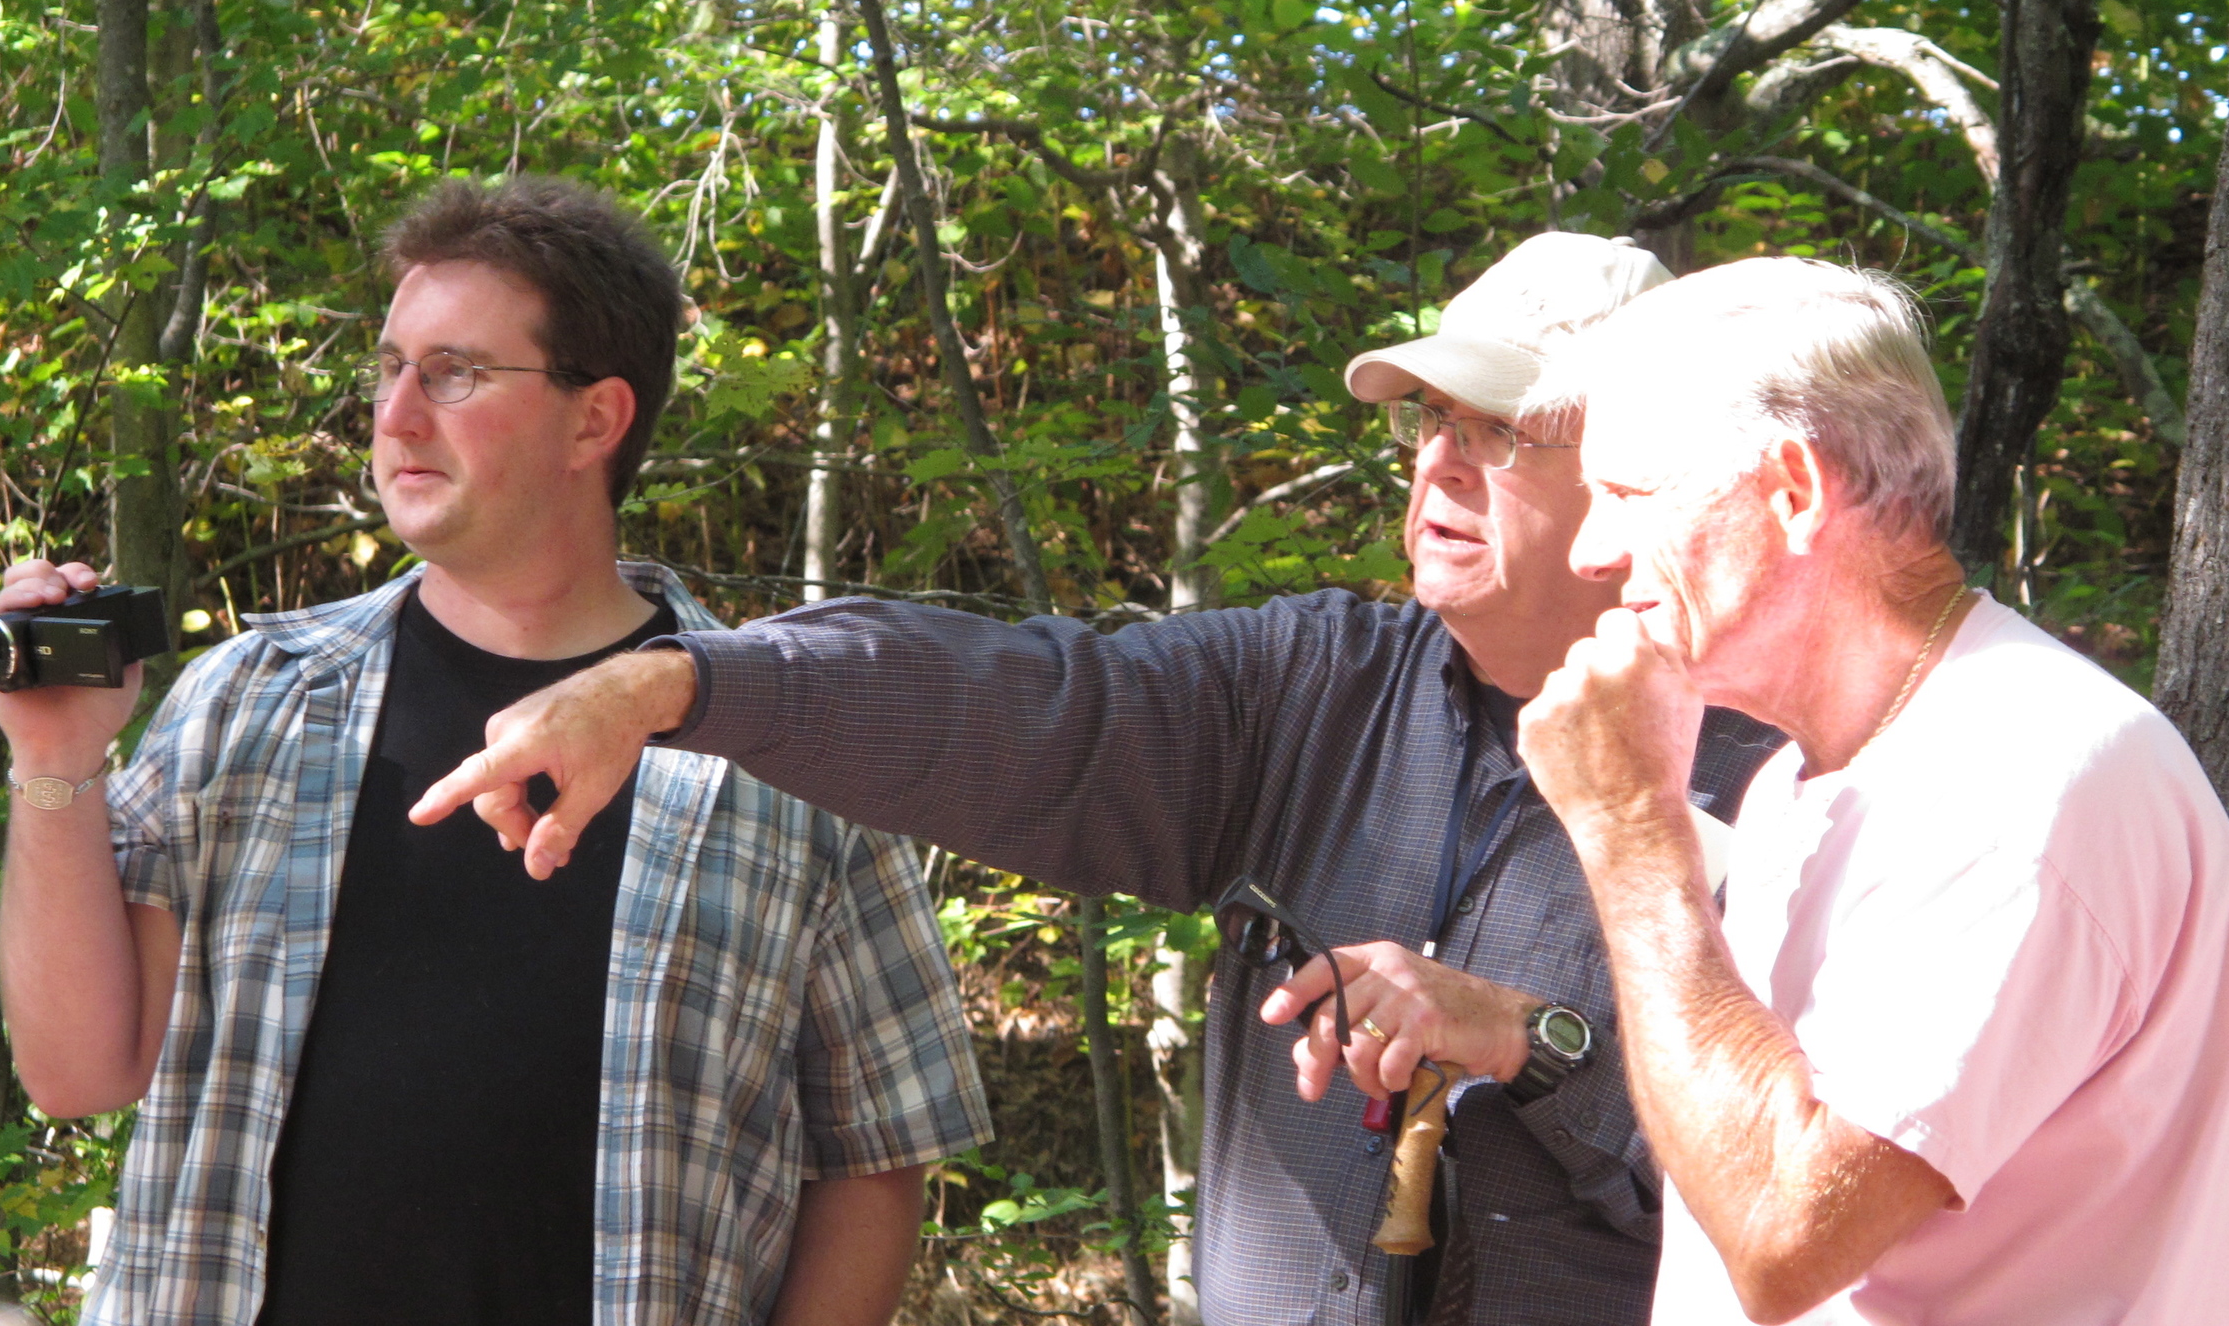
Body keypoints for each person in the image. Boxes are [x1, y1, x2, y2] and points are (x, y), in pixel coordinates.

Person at [413, 232, 1788, 1326]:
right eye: (1429, 415)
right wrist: (684, 682)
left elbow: (1824, 1204)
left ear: (1633, 468)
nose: (1439, 457)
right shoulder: (1314, 689)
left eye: (1498, 427)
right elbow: (1019, 702)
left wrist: (1538, 1046)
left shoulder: (1778, 772)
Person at [0, 177, 990, 1326]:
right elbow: (76, 1073)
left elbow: (878, 1147)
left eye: (455, 372)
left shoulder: (781, 746)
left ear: (595, 418)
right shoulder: (253, 704)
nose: (397, 412)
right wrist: (55, 759)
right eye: (390, 365)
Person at [1373, 255, 2229, 1323]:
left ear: (1791, 491)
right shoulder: (1809, 774)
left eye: (1626, 495)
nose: (1598, 548)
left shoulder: (2017, 780)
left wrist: (1629, 824)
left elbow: (1783, 1239)